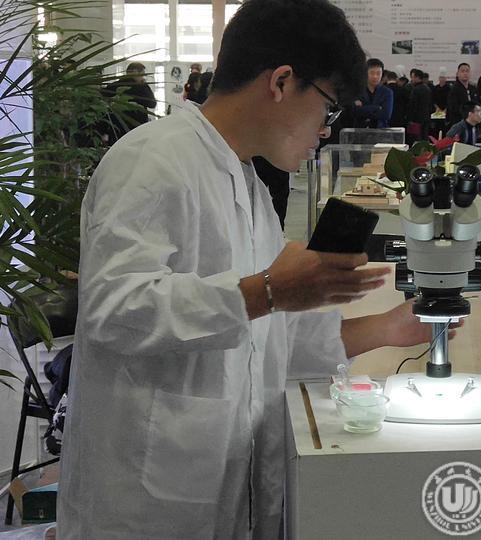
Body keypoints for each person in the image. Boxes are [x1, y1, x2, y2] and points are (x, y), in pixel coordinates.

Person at [57, 1, 446, 538]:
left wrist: (389, 328)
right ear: (281, 82)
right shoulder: (152, 160)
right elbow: (114, 310)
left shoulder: (249, 186)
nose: (325, 130)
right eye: (328, 107)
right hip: (144, 500)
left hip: (219, 476)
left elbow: (273, 341)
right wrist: (266, 291)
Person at [102, 62, 157, 143]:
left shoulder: (114, 86)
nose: (143, 77)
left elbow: (103, 100)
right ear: (135, 72)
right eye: (142, 74)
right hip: (137, 128)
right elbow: (152, 104)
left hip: (117, 128)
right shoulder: (142, 87)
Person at [352, 58, 393, 128]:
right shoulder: (357, 90)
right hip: (360, 130)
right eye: (372, 73)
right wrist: (377, 108)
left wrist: (364, 109)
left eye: (378, 73)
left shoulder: (387, 92)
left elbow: (386, 114)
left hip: (380, 130)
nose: (375, 76)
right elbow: (354, 112)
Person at [407, 68, 433, 142]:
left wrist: (410, 118)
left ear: (417, 77)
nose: (412, 79)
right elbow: (431, 104)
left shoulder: (415, 90)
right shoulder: (427, 88)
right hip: (426, 117)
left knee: (416, 139)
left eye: (413, 77)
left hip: (416, 119)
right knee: (425, 137)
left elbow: (412, 106)